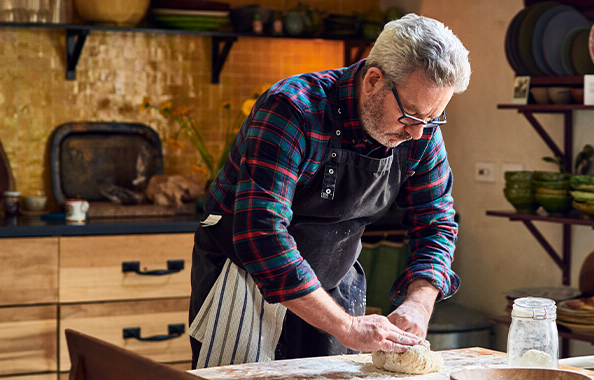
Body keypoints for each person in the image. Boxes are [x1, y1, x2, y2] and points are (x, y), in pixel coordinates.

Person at [188, 14, 470, 368]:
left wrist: (419, 300)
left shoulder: (420, 129)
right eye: (410, 115)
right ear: (373, 81)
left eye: (432, 118)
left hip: (335, 284)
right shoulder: (292, 109)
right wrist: (347, 326)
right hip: (245, 285)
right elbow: (261, 230)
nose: (418, 133)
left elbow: (436, 222)